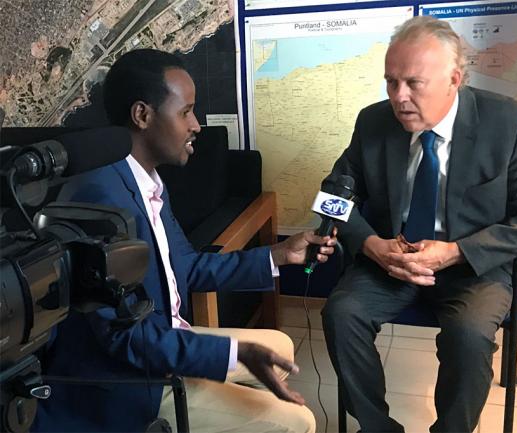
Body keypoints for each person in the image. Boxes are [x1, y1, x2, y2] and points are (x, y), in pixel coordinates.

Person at [33, 48, 335, 433]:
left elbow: (186, 267)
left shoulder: (145, 180)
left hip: (163, 341)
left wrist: (279, 255)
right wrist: (230, 353)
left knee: (281, 347)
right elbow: (126, 339)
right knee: (297, 422)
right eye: (186, 112)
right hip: (131, 382)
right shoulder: (100, 200)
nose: (196, 125)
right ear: (142, 115)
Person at [321, 16, 517, 433]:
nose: (399, 97)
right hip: (392, 259)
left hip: (474, 265)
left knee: (468, 335)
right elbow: (331, 199)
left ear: (454, 79)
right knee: (341, 314)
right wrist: (372, 245)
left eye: (414, 83)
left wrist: (455, 252)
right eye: (391, 82)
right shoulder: (373, 121)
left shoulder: (512, 122)